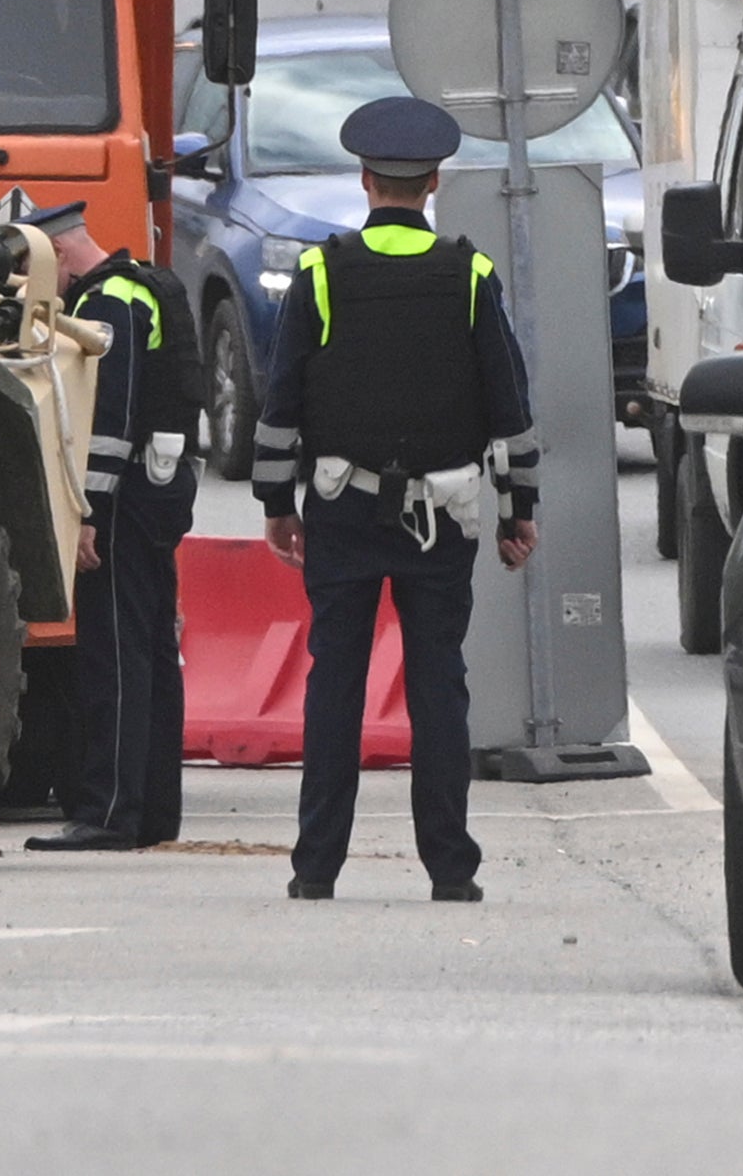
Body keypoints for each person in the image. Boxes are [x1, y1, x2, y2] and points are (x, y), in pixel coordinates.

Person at [253, 97, 539, 903]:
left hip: (343, 509)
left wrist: (278, 501)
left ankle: (315, 869)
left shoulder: (320, 273)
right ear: (434, 182)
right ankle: (450, 869)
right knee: (437, 688)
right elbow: (508, 408)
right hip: (440, 518)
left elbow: (283, 403)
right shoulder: (470, 275)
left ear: (365, 179)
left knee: (334, 685)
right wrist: (519, 510)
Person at [23, 201, 200, 853]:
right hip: (156, 492)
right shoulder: (141, 286)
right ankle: (152, 811)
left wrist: (88, 513)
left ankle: (108, 812)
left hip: (123, 501)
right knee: (152, 652)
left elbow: (110, 414)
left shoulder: (109, 302)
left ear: (60, 254)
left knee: (114, 655)